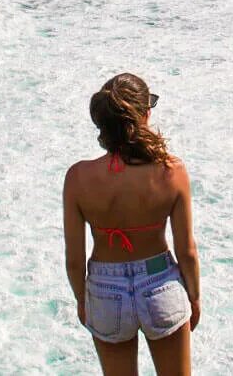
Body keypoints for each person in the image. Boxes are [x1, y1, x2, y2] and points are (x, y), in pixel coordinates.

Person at [64, 73, 200, 375]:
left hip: (104, 289)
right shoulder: (171, 171)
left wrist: (82, 299)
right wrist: (194, 296)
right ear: (146, 115)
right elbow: (186, 249)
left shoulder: (78, 178)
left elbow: (74, 260)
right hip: (160, 284)